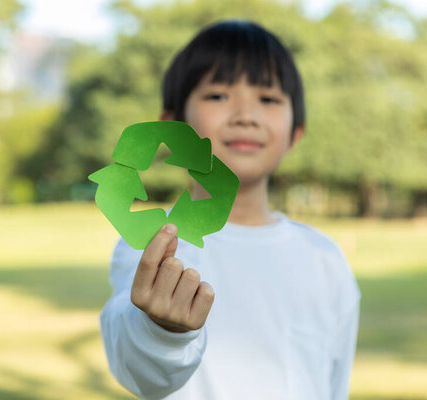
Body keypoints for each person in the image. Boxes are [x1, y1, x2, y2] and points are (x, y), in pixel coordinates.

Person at [99, 20, 361, 400]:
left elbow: (335, 383)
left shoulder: (325, 260)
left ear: (296, 132)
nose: (245, 115)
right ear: (172, 126)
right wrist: (161, 332)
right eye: (218, 96)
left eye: (268, 99)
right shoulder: (153, 247)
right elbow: (137, 366)